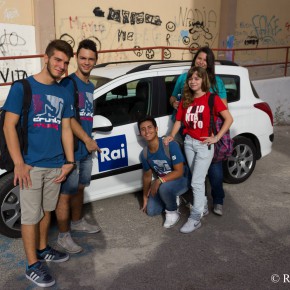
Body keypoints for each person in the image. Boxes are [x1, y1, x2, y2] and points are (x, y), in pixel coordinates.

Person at [3, 39, 75, 288]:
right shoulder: (23, 87)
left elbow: (66, 128)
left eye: (65, 63)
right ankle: (32, 265)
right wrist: (19, 163)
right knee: (30, 217)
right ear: (46, 58)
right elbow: (8, 125)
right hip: (31, 166)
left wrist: (69, 161)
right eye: (57, 60)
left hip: (56, 165)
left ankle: (43, 249)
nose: (61, 66)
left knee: (46, 211)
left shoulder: (64, 91)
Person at [164, 67, 233, 234]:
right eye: (191, 78)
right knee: (198, 178)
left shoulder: (212, 98)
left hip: (204, 145)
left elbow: (229, 119)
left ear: (203, 80)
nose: (193, 81)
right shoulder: (186, 100)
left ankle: (195, 218)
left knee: (196, 181)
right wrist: (172, 135)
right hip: (189, 143)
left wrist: (216, 138)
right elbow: (179, 121)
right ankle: (202, 207)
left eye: (197, 78)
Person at [55, 39, 101, 254]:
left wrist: (88, 141)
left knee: (80, 188)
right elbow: (68, 119)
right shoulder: (67, 84)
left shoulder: (91, 86)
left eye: (91, 59)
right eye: (82, 58)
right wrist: (88, 139)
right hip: (71, 149)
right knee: (66, 193)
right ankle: (63, 236)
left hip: (85, 149)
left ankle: (77, 221)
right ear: (76, 58)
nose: (86, 62)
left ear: (95, 61)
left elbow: (86, 116)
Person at [169, 46, 228, 216]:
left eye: (205, 60)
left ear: (209, 64)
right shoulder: (184, 78)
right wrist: (175, 103)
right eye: (199, 58)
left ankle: (217, 200)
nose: (201, 62)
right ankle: (200, 202)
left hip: (207, 132)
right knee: (195, 168)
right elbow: (173, 97)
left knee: (214, 168)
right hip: (185, 129)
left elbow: (223, 108)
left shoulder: (215, 82)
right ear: (195, 59)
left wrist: (214, 133)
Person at [138, 115, 190, 228]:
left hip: (182, 179)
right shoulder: (145, 154)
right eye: (143, 129)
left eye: (150, 127)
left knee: (164, 188)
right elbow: (147, 177)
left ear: (156, 129)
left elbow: (179, 171)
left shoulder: (169, 144)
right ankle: (172, 196)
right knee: (151, 211)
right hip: (165, 182)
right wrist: (145, 197)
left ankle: (172, 212)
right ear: (140, 133)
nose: (147, 131)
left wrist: (159, 181)